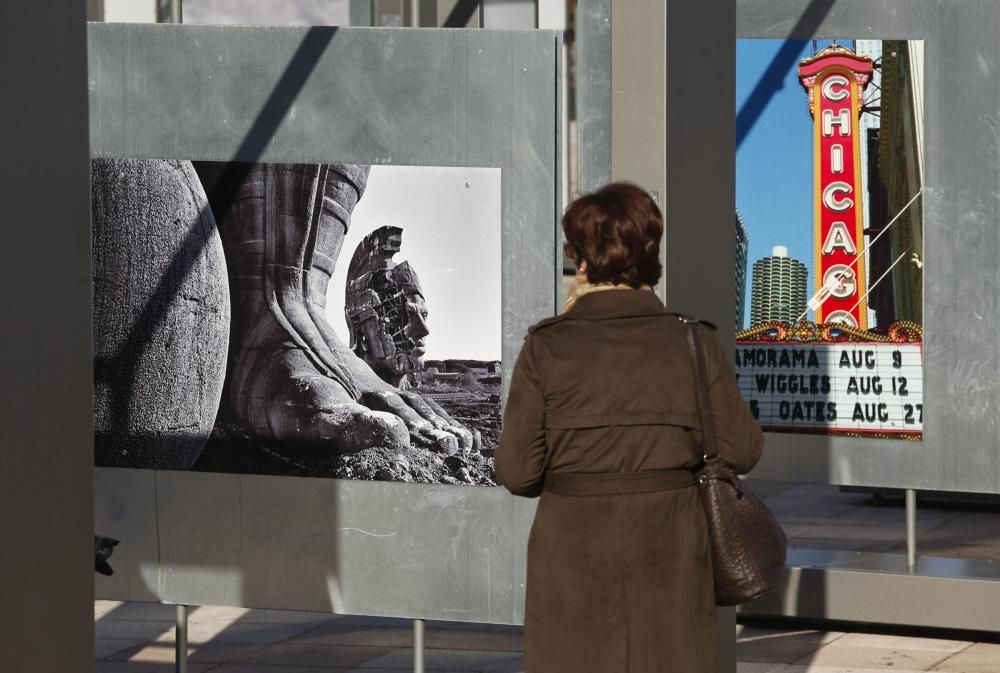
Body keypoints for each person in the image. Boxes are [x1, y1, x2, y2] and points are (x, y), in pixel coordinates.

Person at [495, 182, 763, 673]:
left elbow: (517, 473)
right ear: (650, 253)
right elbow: (743, 451)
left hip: (572, 551)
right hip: (671, 548)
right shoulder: (694, 340)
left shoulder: (548, 345)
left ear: (581, 259)